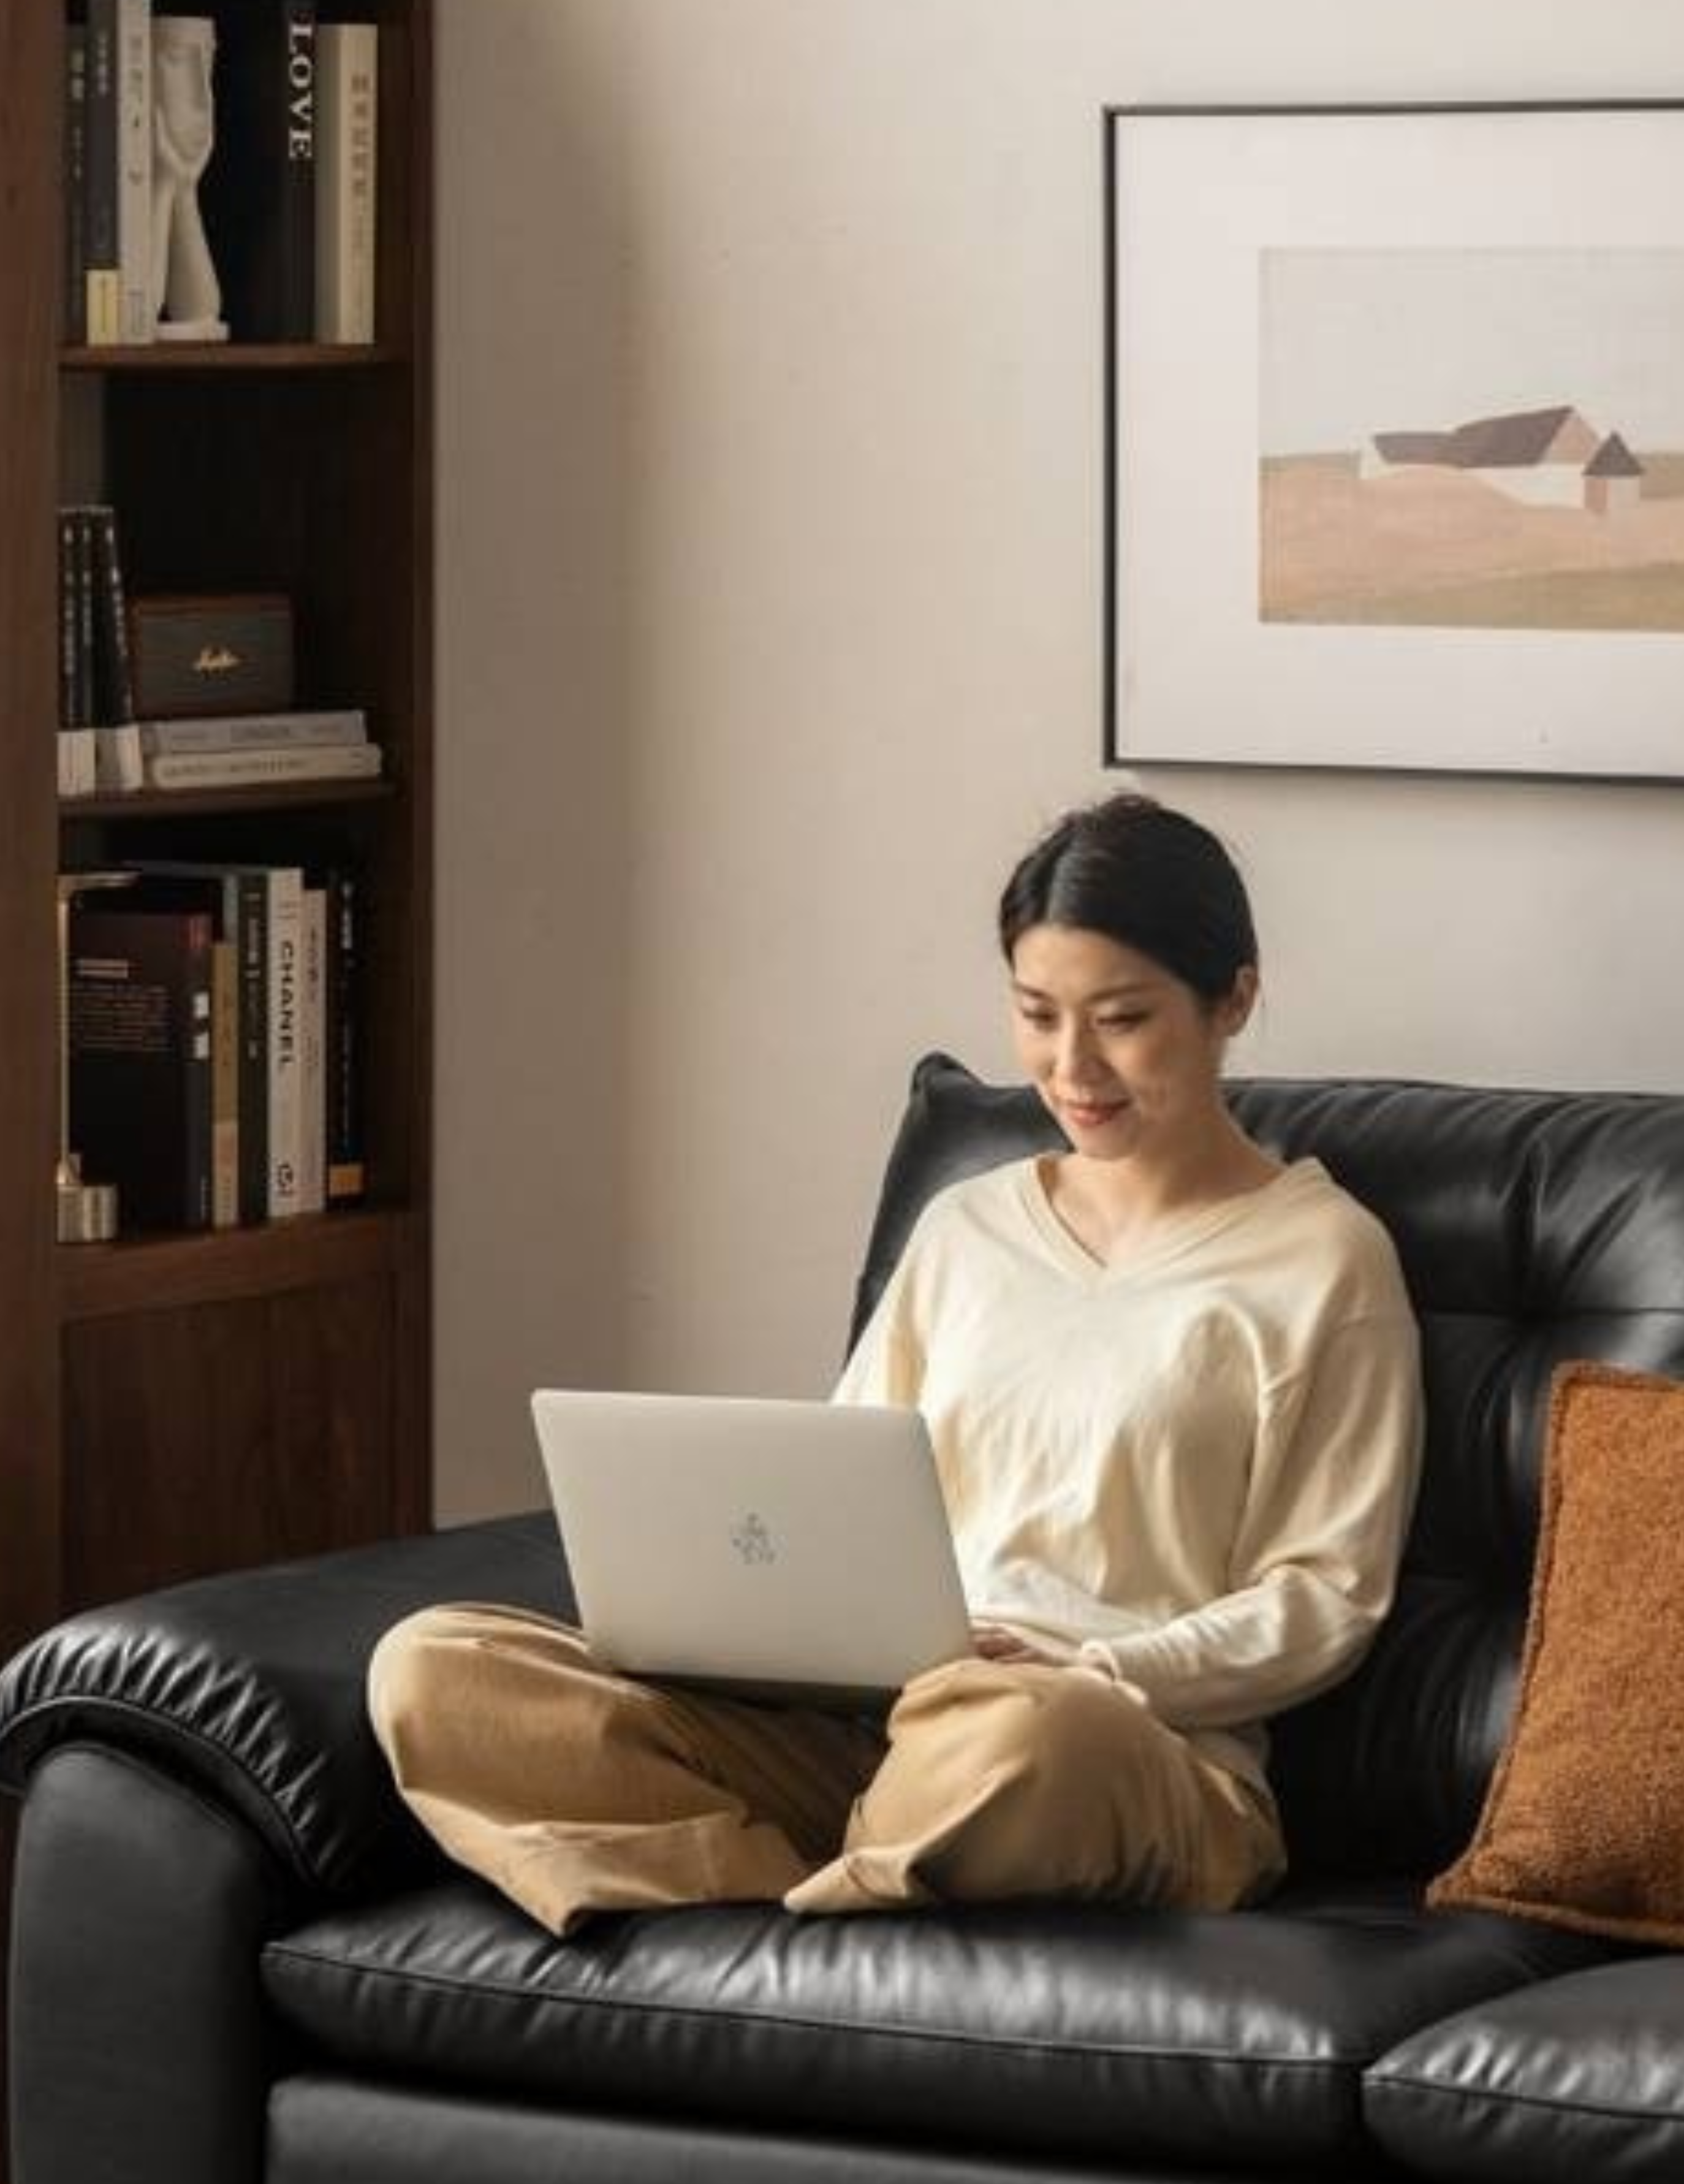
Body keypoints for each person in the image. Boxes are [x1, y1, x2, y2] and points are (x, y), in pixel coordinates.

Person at [371, 793, 1422, 1934]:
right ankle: (847, 1871)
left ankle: (816, 1877)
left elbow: (1326, 1598)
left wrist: (1110, 1672)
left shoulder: (1325, 1259)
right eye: (1036, 1014)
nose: (1072, 1067)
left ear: (1234, 1000)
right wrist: (767, 1636)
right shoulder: (967, 1227)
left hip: (1113, 1746)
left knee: (1023, 1736)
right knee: (438, 1670)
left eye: (1122, 1019)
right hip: (883, 1722)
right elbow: (841, 1494)